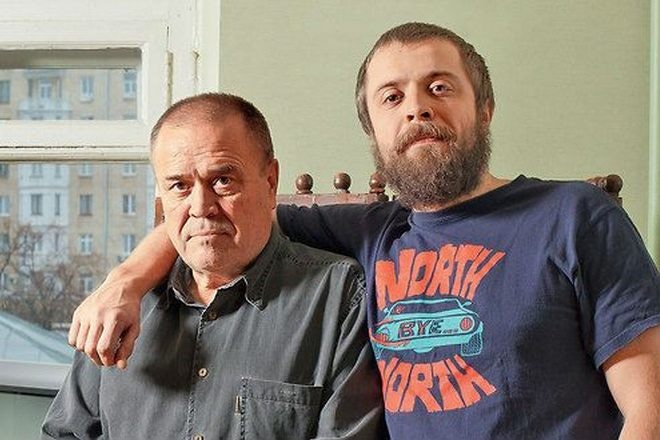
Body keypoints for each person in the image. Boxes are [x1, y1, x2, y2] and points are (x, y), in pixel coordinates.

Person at [68, 23, 660, 439]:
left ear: (485, 109)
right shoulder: (372, 232)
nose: (417, 108)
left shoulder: (574, 215)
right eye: (392, 97)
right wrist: (124, 283)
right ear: (373, 132)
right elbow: (213, 220)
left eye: (440, 87)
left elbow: (650, 410)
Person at [42, 93, 384, 440]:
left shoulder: (338, 297)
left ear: (270, 182)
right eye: (179, 186)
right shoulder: (119, 306)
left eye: (223, 180)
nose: (201, 207)